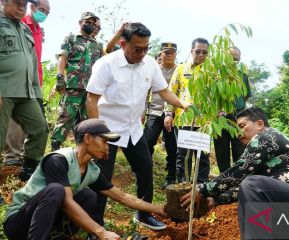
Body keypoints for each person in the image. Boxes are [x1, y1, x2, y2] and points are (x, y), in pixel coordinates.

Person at [86, 22, 189, 230]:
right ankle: (95, 223)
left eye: (146, 48)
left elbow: (164, 91)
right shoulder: (106, 64)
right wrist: (97, 132)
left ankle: (143, 214)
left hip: (133, 129)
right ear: (123, 44)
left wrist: (182, 104)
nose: (142, 53)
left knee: (145, 169)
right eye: (137, 49)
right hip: (107, 129)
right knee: (103, 177)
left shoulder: (150, 64)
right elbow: (91, 99)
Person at [181, 107, 289, 240]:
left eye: (242, 126)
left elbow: (239, 171)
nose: (238, 132)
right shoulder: (263, 155)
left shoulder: (267, 137)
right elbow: (244, 189)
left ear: (260, 124)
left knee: (252, 185)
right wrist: (217, 199)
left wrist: (203, 190)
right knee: (251, 189)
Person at [3, 119, 167, 240]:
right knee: (56, 190)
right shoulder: (59, 160)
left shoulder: (92, 170)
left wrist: (159, 209)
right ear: (88, 139)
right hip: (18, 224)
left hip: (45, 223)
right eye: (104, 141)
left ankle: (59, 237)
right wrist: (101, 232)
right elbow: (66, 202)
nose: (107, 147)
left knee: (89, 196)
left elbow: (123, 197)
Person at [0, 0, 48, 181]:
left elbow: (33, 63)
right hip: (3, 90)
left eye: (24, 5)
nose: (22, 8)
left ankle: (28, 172)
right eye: (17, 3)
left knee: (40, 129)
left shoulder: (25, 29)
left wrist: (37, 94)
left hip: (26, 92)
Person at [50, 12, 103, 151]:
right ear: (80, 22)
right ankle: (55, 147)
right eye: (87, 22)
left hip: (91, 89)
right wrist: (60, 79)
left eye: (93, 23)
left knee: (86, 121)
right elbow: (62, 59)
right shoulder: (71, 38)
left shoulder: (97, 45)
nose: (90, 25)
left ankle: (81, 150)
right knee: (66, 117)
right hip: (73, 85)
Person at [164, 37, 210, 183]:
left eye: (205, 52)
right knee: (183, 155)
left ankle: (201, 188)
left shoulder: (211, 71)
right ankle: (183, 185)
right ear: (191, 51)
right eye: (198, 52)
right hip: (183, 119)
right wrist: (168, 114)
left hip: (204, 122)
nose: (201, 55)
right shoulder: (181, 68)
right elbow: (171, 92)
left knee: (202, 156)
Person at [144, 42, 178, 188]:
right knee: (147, 141)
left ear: (176, 54)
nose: (169, 55)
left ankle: (171, 176)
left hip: (175, 114)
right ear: (161, 54)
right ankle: (144, 170)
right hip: (155, 111)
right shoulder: (153, 69)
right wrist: (142, 110)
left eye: (172, 52)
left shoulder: (180, 70)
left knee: (172, 147)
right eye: (166, 52)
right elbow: (145, 91)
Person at [213, 46, 252, 173]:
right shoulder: (215, 75)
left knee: (239, 150)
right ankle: (223, 180)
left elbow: (245, 95)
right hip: (219, 118)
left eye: (237, 60)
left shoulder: (242, 75)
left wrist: (237, 109)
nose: (234, 63)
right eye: (232, 59)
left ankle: (238, 180)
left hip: (238, 117)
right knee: (221, 151)